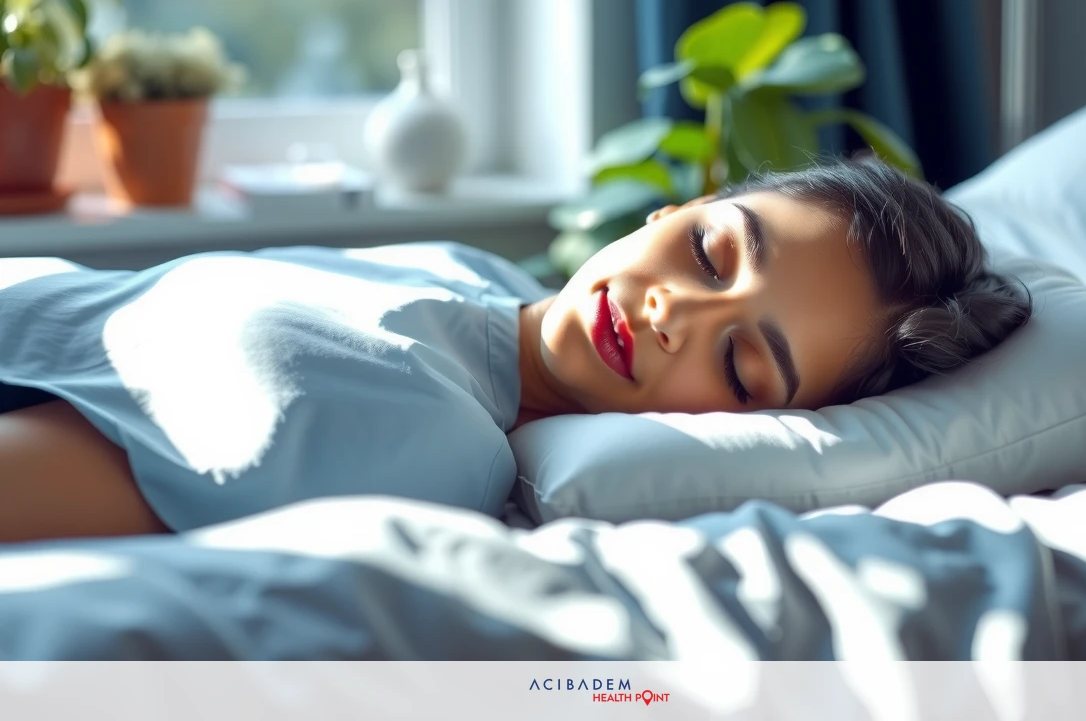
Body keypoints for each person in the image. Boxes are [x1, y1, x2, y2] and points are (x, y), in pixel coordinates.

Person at [0, 158, 1030, 542]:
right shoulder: (465, 272)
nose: (677, 311)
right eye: (714, 251)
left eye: (741, 364)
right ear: (681, 206)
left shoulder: (418, 444)